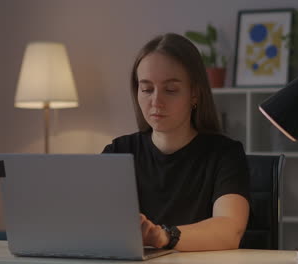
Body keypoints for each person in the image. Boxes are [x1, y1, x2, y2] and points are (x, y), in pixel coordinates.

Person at [102, 33, 250, 252]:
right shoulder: (118, 152)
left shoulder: (225, 154)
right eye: (146, 89)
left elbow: (229, 230)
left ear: (195, 94)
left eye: (170, 90)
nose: (156, 101)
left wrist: (162, 236)